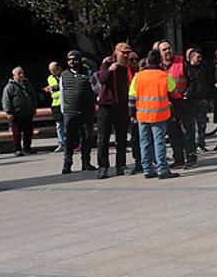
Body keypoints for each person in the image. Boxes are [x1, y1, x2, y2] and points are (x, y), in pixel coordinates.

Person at [128, 49, 179, 179]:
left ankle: (148, 169)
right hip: (159, 114)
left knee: (144, 142)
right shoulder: (164, 75)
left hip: (142, 115)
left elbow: (132, 97)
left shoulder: (138, 76)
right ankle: (162, 169)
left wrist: (132, 113)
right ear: (160, 61)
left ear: (147, 61)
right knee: (159, 141)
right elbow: (173, 91)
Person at [94, 42, 134, 178]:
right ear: (116, 52)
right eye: (123, 53)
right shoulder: (107, 64)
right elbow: (102, 79)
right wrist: (110, 69)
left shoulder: (128, 67)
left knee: (121, 137)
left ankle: (120, 165)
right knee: (103, 138)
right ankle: (103, 166)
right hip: (106, 106)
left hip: (122, 107)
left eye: (127, 53)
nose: (125, 55)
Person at [157, 40, 195, 170]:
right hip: (168, 105)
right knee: (173, 134)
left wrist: (187, 94)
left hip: (183, 103)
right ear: (159, 53)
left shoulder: (182, 62)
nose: (168, 51)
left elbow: (193, 80)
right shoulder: (158, 67)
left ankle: (191, 158)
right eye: (164, 50)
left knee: (187, 132)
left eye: (169, 48)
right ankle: (178, 159)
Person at [59, 50, 97, 174]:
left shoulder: (88, 74)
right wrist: (63, 111)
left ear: (80, 60)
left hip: (86, 111)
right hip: (70, 112)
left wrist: (93, 84)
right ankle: (67, 164)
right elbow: (61, 94)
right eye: (69, 60)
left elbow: (96, 90)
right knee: (69, 138)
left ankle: (86, 162)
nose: (72, 62)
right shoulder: (63, 75)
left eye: (74, 59)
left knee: (86, 137)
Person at [1, 66, 37, 157]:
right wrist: (8, 112)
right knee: (16, 133)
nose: (21, 75)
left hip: (28, 113)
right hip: (16, 114)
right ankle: (17, 150)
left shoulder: (27, 84)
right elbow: (6, 100)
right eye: (19, 74)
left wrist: (34, 107)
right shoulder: (9, 87)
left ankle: (27, 149)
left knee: (28, 132)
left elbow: (33, 95)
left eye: (22, 73)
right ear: (14, 75)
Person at [185, 48, 215, 155]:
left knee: (201, 123)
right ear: (192, 58)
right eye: (198, 57)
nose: (200, 59)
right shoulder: (187, 69)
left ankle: (200, 143)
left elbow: (208, 81)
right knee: (191, 124)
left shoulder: (203, 68)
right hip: (192, 99)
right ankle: (193, 144)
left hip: (202, 98)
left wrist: (209, 97)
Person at [43, 60, 64, 152]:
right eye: (51, 70)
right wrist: (51, 89)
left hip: (66, 103)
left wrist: (53, 88)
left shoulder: (65, 76)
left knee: (69, 124)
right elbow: (54, 88)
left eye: (54, 70)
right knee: (59, 125)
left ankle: (70, 143)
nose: (52, 72)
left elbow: (60, 87)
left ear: (59, 68)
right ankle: (61, 143)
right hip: (56, 103)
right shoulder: (50, 78)